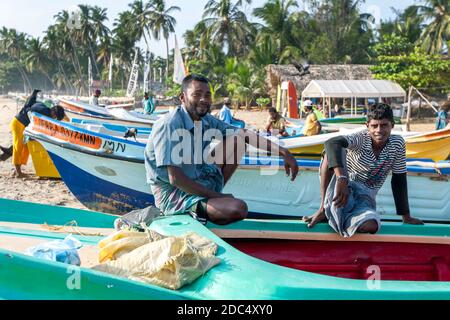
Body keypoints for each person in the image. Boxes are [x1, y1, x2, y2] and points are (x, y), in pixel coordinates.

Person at [145, 74, 299, 226]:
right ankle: (208, 203)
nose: (203, 100)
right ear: (182, 97)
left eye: (207, 95)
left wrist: (284, 152)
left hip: (197, 178)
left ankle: (212, 201)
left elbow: (244, 134)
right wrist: (218, 196)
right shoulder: (168, 124)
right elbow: (175, 179)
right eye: (197, 94)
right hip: (174, 194)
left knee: (238, 141)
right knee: (238, 208)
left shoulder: (205, 119)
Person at [303, 103, 423, 237]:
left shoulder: (397, 144)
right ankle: (324, 209)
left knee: (371, 225)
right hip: (343, 189)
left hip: (365, 197)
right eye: (374, 126)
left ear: (392, 125)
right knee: (329, 152)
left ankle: (341, 221)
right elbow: (331, 143)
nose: (379, 130)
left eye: (384, 125)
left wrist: (406, 216)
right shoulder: (361, 138)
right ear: (367, 126)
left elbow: (399, 179)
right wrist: (342, 179)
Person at [10, 97, 65, 178]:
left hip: (23, 125)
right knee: (18, 146)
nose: (54, 119)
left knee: (26, 147)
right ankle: (18, 172)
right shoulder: (44, 112)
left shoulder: (45, 109)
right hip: (18, 123)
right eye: (55, 117)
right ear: (53, 112)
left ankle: (17, 170)